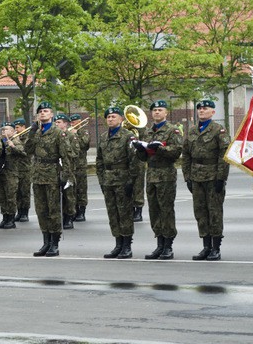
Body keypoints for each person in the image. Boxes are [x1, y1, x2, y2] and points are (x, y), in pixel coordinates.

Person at [134, 100, 183, 260]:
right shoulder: (148, 132)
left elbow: (176, 152)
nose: (156, 112)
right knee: (154, 211)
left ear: (166, 112)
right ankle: (159, 243)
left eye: (160, 110)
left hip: (166, 175)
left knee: (166, 210)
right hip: (152, 175)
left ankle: (168, 245)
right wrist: (140, 150)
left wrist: (159, 148)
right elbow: (143, 157)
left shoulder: (172, 130)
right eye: (154, 110)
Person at [182, 100, 230, 261]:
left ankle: (216, 247)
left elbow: (224, 156)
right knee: (200, 212)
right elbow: (186, 155)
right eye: (200, 109)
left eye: (205, 108)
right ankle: (206, 246)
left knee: (214, 212)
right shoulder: (192, 130)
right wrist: (187, 177)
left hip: (212, 176)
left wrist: (221, 178)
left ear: (213, 112)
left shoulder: (219, 130)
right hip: (196, 176)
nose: (202, 111)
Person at [25, 101, 71, 257]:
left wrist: (65, 176)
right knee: (41, 210)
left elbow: (66, 156)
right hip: (37, 174)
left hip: (52, 174)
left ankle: (55, 243)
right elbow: (28, 150)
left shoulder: (58, 133)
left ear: (51, 114)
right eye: (40, 112)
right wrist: (31, 133)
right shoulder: (36, 132)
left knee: (53, 211)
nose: (42, 113)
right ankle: (46, 241)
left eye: (46, 111)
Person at [96, 106, 139, 259]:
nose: (110, 119)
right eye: (108, 117)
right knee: (112, 213)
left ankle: (127, 245)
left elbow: (134, 161)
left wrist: (130, 181)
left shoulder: (128, 136)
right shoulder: (103, 137)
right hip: (108, 179)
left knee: (124, 213)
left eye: (114, 116)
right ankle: (118, 243)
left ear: (121, 119)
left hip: (122, 178)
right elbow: (99, 160)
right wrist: (101, 179)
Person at [0, 121, 26, 229]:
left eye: (7, 129)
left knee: (10, 197)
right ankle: (5, 218)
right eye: (3, 129)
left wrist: (13, 146)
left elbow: (23, 153)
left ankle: (11, 219)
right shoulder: (0, 141)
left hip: (11, 173)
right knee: (1, 197)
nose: (4, 131)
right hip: (0, 172)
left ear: (13, 131)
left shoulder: (16, 141)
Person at [54, 114, 77, 229]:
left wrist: (65, 152)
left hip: (67, 169)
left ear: (65, 123)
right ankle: (60, 217)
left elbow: (75, 152)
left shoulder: (71, 136)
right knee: (56, 195)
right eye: (55, 122)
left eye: (58, 122)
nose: (56, 124)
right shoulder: (54, 135)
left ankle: (69, 217)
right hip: (55, 169)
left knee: (68, 195)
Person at [69, 114, 90, 222]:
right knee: (72, 190)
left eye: (75, 122)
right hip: (71, 166)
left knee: (81, 189)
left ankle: (82, 212)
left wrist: (75, 135)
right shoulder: (69, 132)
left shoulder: (84, 132)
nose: (73, 124)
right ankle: (74, 210)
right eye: (72, 122)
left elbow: (84, 144)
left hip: (80, 165)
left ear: (80, 121)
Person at [13, 119, 32, 222]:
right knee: (17, 192)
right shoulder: (16, 138)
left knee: (24, 192)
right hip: (15, 169)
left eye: (18, 127)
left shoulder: (28, 138)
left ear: (23, 127)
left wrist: (15, 143)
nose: (16, 129)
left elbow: (26, 153)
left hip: (25, 169)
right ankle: (19, 212)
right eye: (15, 127)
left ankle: (25, 213)